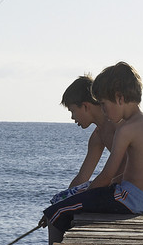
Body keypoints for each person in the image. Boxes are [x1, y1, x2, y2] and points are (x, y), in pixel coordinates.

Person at [42, 62, 143, 245]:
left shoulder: (126, 129)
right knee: (59, 206)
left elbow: (108, 176)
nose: (103, 110)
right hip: (142, 199)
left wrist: (84, 195)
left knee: (56, 211)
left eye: (103, 104)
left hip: (129, 199)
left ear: (119, 98)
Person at [49, 75, 121, 204]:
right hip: (118, 184)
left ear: (85, 106)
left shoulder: (117, 126)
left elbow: (125, 168)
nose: (72, 117)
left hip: (133, 187)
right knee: (58, 204)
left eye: (73, 111)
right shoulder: (98, 136)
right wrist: (63, 201)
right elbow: (82, 177)